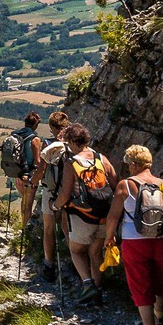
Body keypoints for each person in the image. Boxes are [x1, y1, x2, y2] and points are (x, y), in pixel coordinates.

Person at [105, 144, 163, 325]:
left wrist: (109, 238)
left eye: (129, 164)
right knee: (161, 279)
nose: (128, 168)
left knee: (140, 282)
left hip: (135, 241)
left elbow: (113, 217)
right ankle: (161, 317)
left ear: (135, 164)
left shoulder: (124, 185)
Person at [50, 122, 116, 302]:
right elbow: (115, 183)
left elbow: (65, 193)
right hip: (104, 215)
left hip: (82, 215)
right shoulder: (101, 158)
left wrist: (55, 206)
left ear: (71, 141)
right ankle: (98, 289)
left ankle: (87, 284)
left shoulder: (72, 163)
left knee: (77, 250)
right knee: (96, 254)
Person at [29, 111, 70, 281]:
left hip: (51, 192)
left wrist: (33, 181)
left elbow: (41, 170)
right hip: (70, 192)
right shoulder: (73, 144)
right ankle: (76, 262)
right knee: (68, 229)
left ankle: (49, 265)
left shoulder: (48, 145)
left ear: (52, 127)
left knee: (48, 229)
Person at [11, 111, 45, 229]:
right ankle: (24, 230)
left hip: (16, 174)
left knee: (24, 201)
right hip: (28, 176)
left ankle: (23, 226)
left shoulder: (16, 135)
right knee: (28, 204)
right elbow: (38, 160)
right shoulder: (34, 139)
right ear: (36, 125)